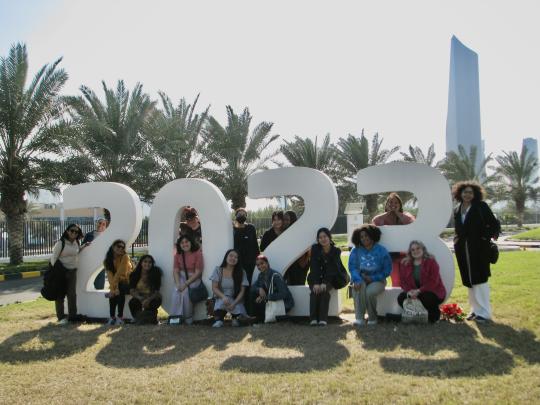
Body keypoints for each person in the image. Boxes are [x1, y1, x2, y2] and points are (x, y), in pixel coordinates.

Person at [453, 181, 500, 323]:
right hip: (463, 249)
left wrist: (484, 237)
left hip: (479, 249)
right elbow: (459, 228)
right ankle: (475, 310)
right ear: (460, 193)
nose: (467, 194)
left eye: (470, 192)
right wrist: (457, 239)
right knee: (469, 280)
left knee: (480, 279)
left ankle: (484, 313)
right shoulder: (457, 209)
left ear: (475, 194)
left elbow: (494, 224)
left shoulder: (481, 206)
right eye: (465, 192)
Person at [348, 225, 392, 326]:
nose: (364, 238)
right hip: (360, 279)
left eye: (366, 236)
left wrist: (372, 278)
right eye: (361, 237)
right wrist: (357, 279)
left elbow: (387, 270)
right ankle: (359, 318)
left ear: (372, 235)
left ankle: (372, 318)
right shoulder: (356, 250)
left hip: (378, 280)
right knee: (358, 287)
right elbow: (353, 267)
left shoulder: (382, 251)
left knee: (370, 292)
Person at [372, 192, 415, 287]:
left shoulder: (405, 215)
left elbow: (412, 221)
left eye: (396, 203)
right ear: (386, 205)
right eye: (390, 203)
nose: (393, 205)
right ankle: (397, 300)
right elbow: (374, 221)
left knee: (408, 280)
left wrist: (397, 214)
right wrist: (388, 214)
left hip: (405, 254)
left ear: (400, 205)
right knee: (396, 281)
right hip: (391, 256)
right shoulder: (383, 218)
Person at [397, 240, 446, 323]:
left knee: (427, 297)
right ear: (410, 252)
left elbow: (434, 281)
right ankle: (415, 314)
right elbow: (403, 281)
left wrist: (418, 291)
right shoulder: (405, 263)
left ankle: (433, 316)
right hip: (413, 292)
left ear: (423, 249)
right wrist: (409, 292)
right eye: (413, 249)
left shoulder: (431, 261)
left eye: (418, 248)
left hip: (432, 291)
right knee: (401, 297)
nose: (415, 251)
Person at [307, 228, 343, 326]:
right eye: (320, 237)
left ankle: (323, 319)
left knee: (324, 291)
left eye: (325, 236)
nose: (323, 239)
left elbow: (332, 269)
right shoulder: (315, 248)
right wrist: (316, 283)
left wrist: (324, 282)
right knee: (314, 291)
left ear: (329, 237)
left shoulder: (336, 251)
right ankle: (313, 319)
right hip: (315, 277)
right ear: (318, 239)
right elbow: (314, 267)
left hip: (331, 277)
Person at [50, 224, 85, 325]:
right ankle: (61, 317)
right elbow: (53, 259)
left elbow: (76, 251)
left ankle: (72, 316)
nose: (74, 233)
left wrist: (84, 246)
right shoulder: (61, 243)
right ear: (67, 231)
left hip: (72, 271)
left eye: (76, 232)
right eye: (72, 231)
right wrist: (58, 272)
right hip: (61, 272)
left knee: (72, 294)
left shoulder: (76, 242)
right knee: (60, 295)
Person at [170, 234, 204, 325]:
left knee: (186, 293)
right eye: (182, 243)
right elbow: (176, 270)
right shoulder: (178, 254)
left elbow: (198, 272)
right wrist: (177, 284)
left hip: (193, 278)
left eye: (186, 242)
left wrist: (185, 284)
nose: (184, 244)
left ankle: (188, 317)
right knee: (176, 292)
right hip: (181, 277)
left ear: (191, 242)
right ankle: (176, 318)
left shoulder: (198, 253)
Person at [210, 249, 249, 327]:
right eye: (231, 256)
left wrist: (234, 303)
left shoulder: (242, 272)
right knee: (221, 303)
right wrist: (223, 297)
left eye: (236, 257)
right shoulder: (218, 270)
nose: (233, 258)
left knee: (238, 317)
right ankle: (219, 320)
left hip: (236, 299)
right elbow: (214, 288)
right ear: (226, 257)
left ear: (238, 260)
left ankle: (235, 319)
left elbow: (242, 291)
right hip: (222, 297)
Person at [250, 255, 294, 323]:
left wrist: (266, 297)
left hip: (284, 304)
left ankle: (264, 318)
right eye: (258, 265)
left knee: (261, 302)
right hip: (272, 302)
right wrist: (259, 289)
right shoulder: (261, 275)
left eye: (262, 263)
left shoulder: (275, 276)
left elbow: (284, 294)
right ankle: (257, 317)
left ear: (267, 263)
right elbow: (252, 287)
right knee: (253, 294)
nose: (260, 266)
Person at [103, 239, 133, 325]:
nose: (121, 249)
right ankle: (112, 317)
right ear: (113, 247)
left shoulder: (125, 257)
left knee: (120, 287)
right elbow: (110, 276)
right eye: (118, 246)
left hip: (128, 281)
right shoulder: (107, 261)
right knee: (117, 291)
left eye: (122, 247)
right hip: (119, 283)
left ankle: (120, 317)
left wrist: (114, 288)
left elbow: (121, 273)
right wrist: (114, 289)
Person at [129, 255, 162, 324]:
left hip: (152, 297)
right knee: (132, 303)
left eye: (150, 262)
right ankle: (139, 318)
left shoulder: (156, 273)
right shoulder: (134, 274)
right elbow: (131, 291)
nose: (147, 264)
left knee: (154, 303)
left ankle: (147, 319)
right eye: (145, 261)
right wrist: (140, 298)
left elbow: (156, 291)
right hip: (139, 296)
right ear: (141, 263)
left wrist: (148, 300)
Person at [282, 210, 310, 285]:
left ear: (293, 220)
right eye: (283, 219)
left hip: (299, 265)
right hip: (289, 266)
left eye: (287, 219)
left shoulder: (299, 233)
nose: (284, 222)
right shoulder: (284, 232)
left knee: (298, 285)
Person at [233, 207, 260, 285]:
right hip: (238, 261)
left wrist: (257, 257)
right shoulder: (232, 229)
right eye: (239, 214)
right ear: (236, 216)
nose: (241, 216)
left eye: (244, 214)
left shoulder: (251, 228)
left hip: (250, 261)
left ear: (246, 216)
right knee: (239, 282)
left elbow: (255, 244)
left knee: (249, 281)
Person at [82, 217, 108, 290]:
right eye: (100, 223)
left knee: (99, 286)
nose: (101, 225)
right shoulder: (89, 235)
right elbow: (83, 247)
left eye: (103, 224)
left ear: (106, 226)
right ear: (96, 223)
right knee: (87, 285)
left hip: (100, 263)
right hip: (89, 262)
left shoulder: (107, 236)